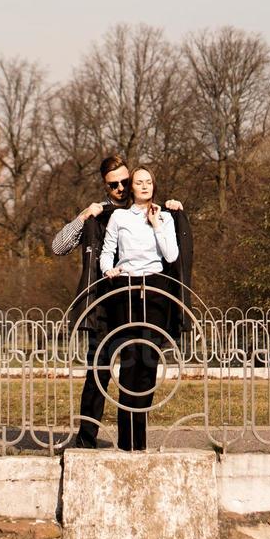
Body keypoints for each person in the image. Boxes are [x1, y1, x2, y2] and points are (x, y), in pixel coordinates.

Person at [52, 155, 186, 450]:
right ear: (105, 185)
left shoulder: (150, 211)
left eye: (127, 182)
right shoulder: (101, 214)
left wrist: (174, 211)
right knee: (98, 370)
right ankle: (86, 441)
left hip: (137, 300)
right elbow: (58, 246)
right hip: (104, 302)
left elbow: (170, 251)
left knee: (140, 367)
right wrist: (83, 216)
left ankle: (133, 440)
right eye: (115, 184)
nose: (122, 188)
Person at [97, 166, 184, 451]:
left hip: (156, 291)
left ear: (153, 186)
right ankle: (126, 441)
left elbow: (171, 254)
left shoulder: (165, 217)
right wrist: (109, 270)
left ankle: (140, 439)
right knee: (130, 362)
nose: (144, 186)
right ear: (131, 188)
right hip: (127, 290)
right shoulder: (120, 217)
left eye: (149, 182)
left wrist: (157, 223)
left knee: (148, 363)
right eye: (139, 182)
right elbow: (107, 250)